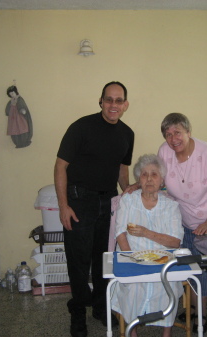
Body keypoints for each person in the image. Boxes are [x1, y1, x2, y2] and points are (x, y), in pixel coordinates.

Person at [54, 81, 134, 337]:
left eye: (118, 100)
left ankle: (101, 308)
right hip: (79, 202)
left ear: (125, 105)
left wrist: (129, 193)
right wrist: (63, 205)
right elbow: (60, 167)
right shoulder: (81, 127)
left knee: (104, 261)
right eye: (108, 100)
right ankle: (77, 314)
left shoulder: (127, 134)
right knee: (78, 263)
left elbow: (122, 170)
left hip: (108, 202)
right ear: (101, 102)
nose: (113, 105)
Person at [157, 112, 207, 333]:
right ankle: (194, 308)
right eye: (168, 134)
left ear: (188, 132)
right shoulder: (164, 152)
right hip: (182, 219)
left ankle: (203, 313)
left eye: (177, 132)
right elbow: (158, 180)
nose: (173, 139)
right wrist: (136, 186)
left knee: (202, 270)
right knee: (184, 266)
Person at [112, 154, 183, 337]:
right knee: (133, 285)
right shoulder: (128, 200)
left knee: (169, 283)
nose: (149, 179)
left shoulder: (171, 206)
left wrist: (146, 232)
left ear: (162, 180)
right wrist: (131, 259)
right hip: (133, 257)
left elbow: (175, 241)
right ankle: (132, 331)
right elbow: (120, 232)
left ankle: (166, 333)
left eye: (154, 174)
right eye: (144, 174)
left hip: (162, 260)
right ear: (138, 179)